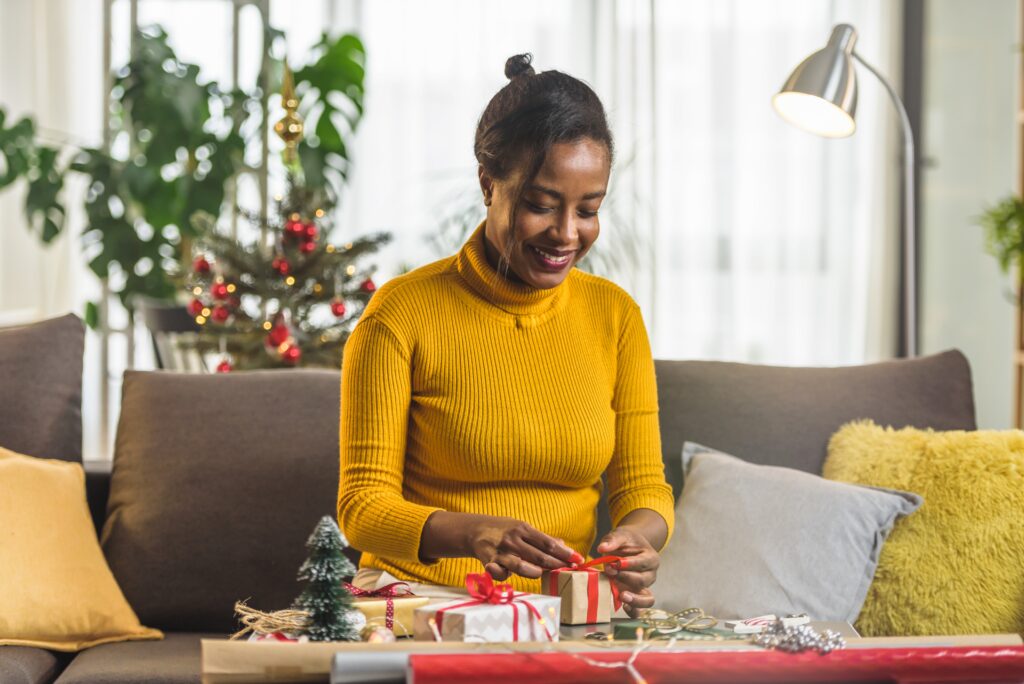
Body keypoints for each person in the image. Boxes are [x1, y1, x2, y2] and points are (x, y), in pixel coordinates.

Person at [338, 53, 674, 616]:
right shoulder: (400, 314)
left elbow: (644, 488)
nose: (567, 234)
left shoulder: (615, 317)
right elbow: (361, 507)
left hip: (561, 608)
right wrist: (472, 534)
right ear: (488, 183)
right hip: (418, 600)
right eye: (541, 206)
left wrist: (639, 536)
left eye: (588, 210)